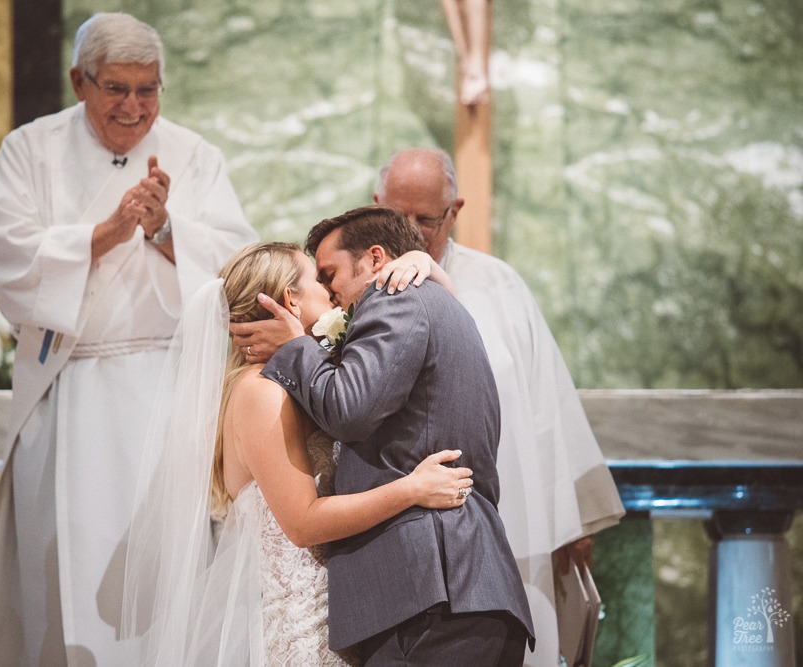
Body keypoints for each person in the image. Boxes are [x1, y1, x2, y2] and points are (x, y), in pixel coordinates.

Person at [0, 12, 257, 665]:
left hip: (167, 389)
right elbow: (7, 259)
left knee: (168, 579)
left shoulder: (196, 155)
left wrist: (164, 229)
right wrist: (102, 234)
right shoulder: (30, 150)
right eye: (117, 89)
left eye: (149, 89)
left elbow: (236, 264)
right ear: (80, 81)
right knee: (64, 577)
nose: (134, 108)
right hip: (70, 390)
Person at [122, 241, 474, 666]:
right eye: (319, 282)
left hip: (344, 613)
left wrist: (427, 267)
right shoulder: (261, 391)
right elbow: (303, 523)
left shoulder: (300, 381)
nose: (330, 293)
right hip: (307, 626)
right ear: (291, 299)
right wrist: (412, 489)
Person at [233, 207, 535, 665]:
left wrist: (296, 347)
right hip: (441, 589)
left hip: (430, 590)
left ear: (375, 259)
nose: (331, 290)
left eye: (329, 273)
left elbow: (350, 412)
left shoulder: (395, 299)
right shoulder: (428, 300)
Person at [373, 147, 625, 666]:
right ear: (376, 204)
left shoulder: (500, 285)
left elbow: (546, 407)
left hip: (509, 518)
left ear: (455, 211)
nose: (413, 232)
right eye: (399, 217)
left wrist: (567, 525)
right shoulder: (355, 288)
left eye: (427, 219)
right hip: (401, 528)